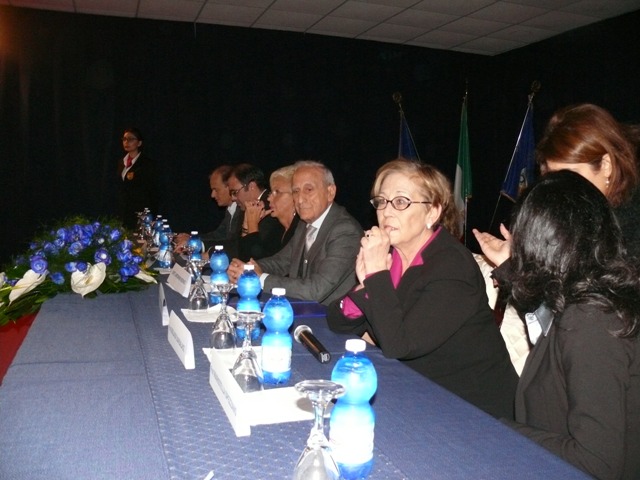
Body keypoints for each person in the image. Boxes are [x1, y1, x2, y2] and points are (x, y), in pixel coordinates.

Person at [326, 159, 518, 419]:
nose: (386, 212)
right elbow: (337, 322)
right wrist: (364, 286)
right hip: (416, 392)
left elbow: (398, 346)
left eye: (400, 201)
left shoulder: (452, 266)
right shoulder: (391, 257)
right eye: (381, 201)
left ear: (432, 213)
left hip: (474, 410)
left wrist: (376, 276)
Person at [497, 170, 640, 480]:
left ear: (538, 242)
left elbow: (596, 462)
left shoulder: (590, 320)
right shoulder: (584, 297)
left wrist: (499, 432)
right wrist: (509, 269)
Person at [475, 103, 640, 263]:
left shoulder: (631, 228)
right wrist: (519, 260)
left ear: (606, 166)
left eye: (572, 175)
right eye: (555, 176)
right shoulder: (574, 213)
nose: (562, 187)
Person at [227, 160, 362, 306]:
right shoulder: (305, 224)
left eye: (308, 190)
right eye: (296, 191)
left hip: (329, 316)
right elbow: (282, 261)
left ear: (330, 192)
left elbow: (316, 290)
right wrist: (248, 269)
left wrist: (260, 279)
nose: (300, 199)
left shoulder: (345, 231)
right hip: (303, 309)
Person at [176, 165, 243, 258]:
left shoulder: (242, 210)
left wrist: (197, 244)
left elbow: (233, 243)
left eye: (216, 190)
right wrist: (193, 239)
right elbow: (218, 235)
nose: (212, 195)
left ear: (229, 187)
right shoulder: (231, 208)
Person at [227, 163, 285, 261]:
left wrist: (252, 224)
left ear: (252, 186)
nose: (233, 198)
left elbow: (257, 255)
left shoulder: (270, 208)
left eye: (235, 192)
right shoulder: (247, 207)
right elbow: (241, 249)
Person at [116, 127, 157, 229]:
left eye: (131, 139)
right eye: (124, 139)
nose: (126, 142)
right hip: (123, 211)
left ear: (139, 143)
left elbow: (151, 191)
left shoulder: (147, 164)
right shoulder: (121, 162)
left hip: (140, 212)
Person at [263, 164, 300, 248]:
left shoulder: (301, 231)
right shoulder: (276, 228)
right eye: (271, 192)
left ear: (295, 196)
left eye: (277, 192)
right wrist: (247, 224)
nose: (269, 198)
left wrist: (252, 224)